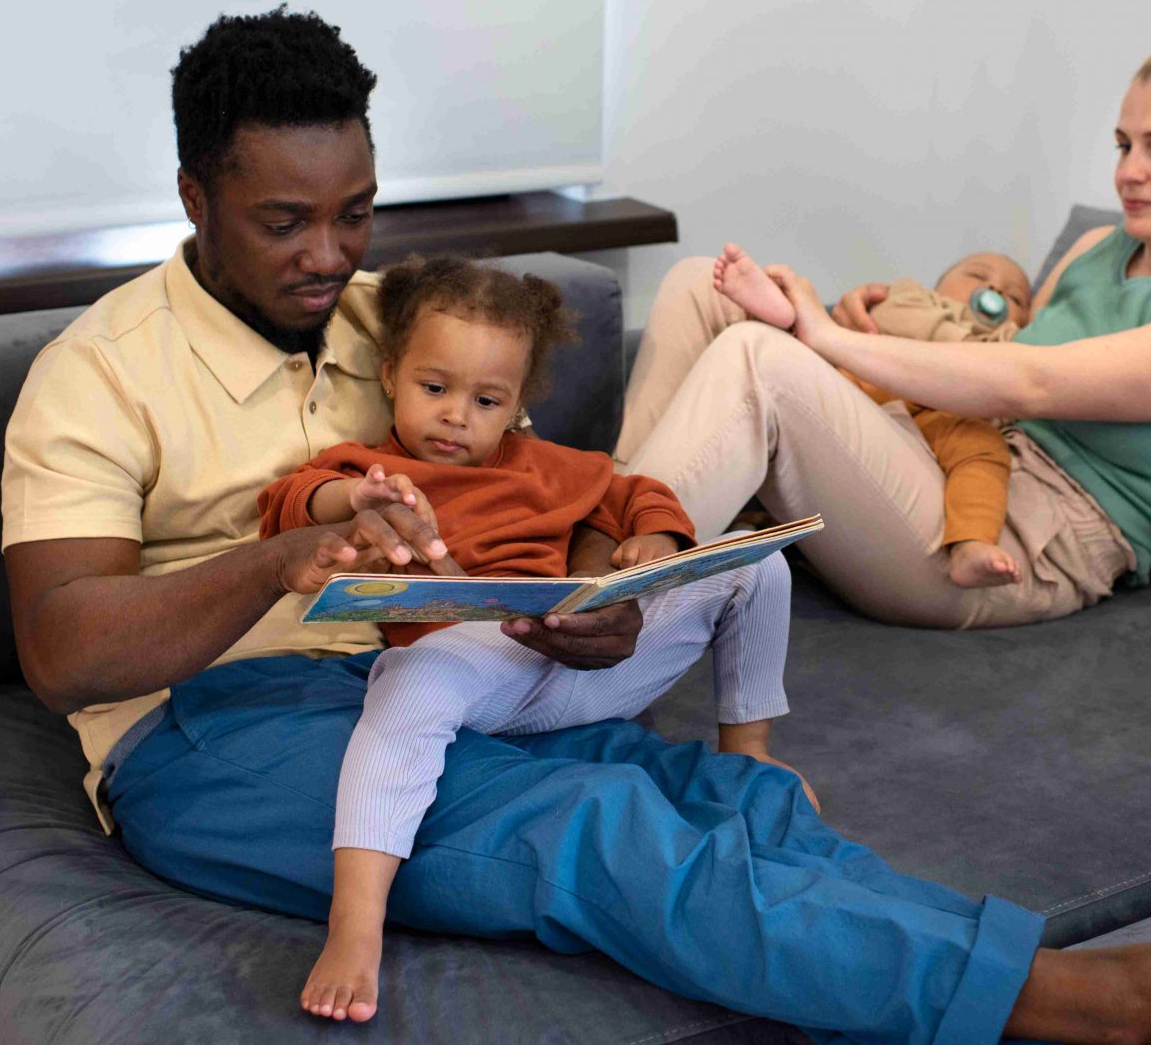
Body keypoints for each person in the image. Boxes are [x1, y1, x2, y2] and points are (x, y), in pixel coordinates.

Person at [3, 9, 1151, 1044]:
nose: (329, 255)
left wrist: (599, 593)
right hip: (210, 743)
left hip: (427, 677)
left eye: (355, 214)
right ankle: (1110, 1003)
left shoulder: (393, 326)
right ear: (195, 200)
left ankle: (1018, 978)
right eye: (285, 223)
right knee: (601, 823)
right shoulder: (99, 371)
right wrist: (288, 555)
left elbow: (531, 491)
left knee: (729, 789)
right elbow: (67, 653)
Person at [254, 254, 812, 1020]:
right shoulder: (371, 467)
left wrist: (656, 537)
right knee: (407, 676)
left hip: (581, 656)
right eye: (435, 387)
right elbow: (286, 501)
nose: (456, 416)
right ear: (390, 374)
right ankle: (356, 925)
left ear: (516, 404)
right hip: (471, 670)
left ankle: (748, 753)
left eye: (487, 400)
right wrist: (355, 496)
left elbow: (636, 490)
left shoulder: (547, 466)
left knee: (760, 567)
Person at [616, 40, 1151, 632]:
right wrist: (890, 311)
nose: (1129, 172)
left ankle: (597, 602)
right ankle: (600, 532)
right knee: (694, 284)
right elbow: (996, 353)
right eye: (1124, 145)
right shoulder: (1098, 248)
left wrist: (827, 337)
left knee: (761, 358)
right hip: (956, 450)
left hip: (1016, 540)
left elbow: (1033, 380)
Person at [713, 243, 1033, 587]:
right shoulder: (912, 296)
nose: (996, 290)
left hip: (948, 419)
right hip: (873, 388)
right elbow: (888, 319)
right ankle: (777, 315)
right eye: (977, 275)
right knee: (803, 376)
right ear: (937, 285)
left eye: (1015, 297)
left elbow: (1015, 376)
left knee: (985, 450)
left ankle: (972, 542)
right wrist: (964, 341)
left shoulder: (1014, 340)